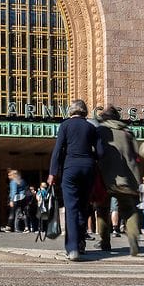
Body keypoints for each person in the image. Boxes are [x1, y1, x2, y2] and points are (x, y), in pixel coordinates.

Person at [48, 99, 102, 261]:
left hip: (70, 168)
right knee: (83, 207)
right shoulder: (92, 127)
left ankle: (72, 249)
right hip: (88, 168)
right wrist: (90, 159)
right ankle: (80, 244)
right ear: (84, 111)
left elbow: (57, 151)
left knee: (71, 208)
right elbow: (100, 152)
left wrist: (52, 173)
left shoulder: (65, 126)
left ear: (70, 111)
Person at [94, 105, 143, 257]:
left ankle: (105, 241)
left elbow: (96, 151)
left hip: (106, 177)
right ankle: (134, 241)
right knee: (128, 210)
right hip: (126, 178)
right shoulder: (127, 132)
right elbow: (136, 155)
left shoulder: (101, 131)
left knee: (102, 210)